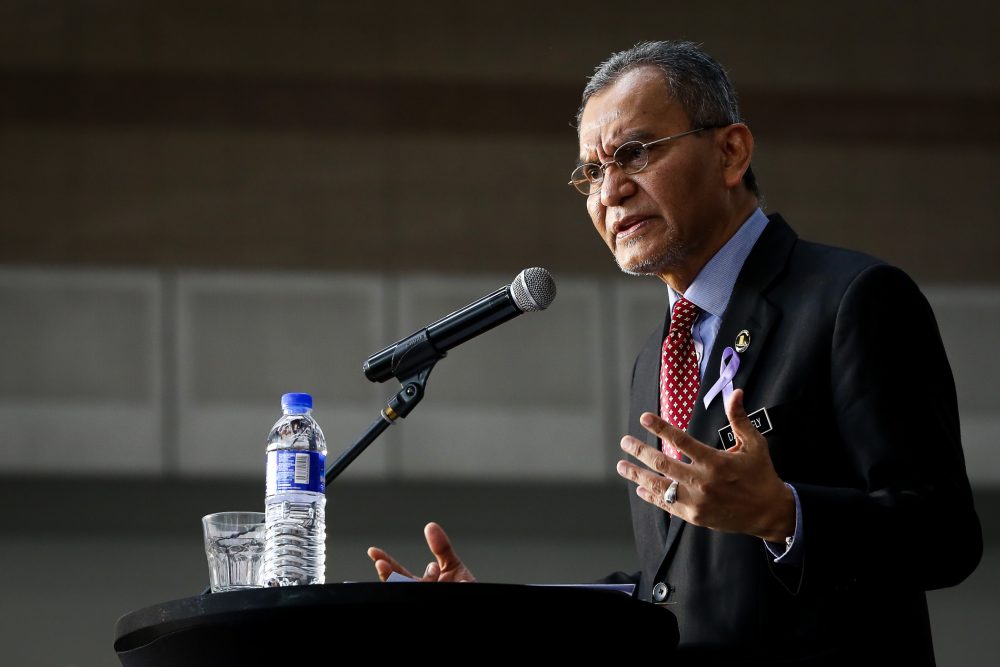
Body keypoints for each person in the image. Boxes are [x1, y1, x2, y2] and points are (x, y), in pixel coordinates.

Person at [367, 41, 982, 663]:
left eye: (633, 153)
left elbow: (946, 536)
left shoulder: (853, 300)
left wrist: (784, 515)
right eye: (591, 172)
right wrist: (495, 615)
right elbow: (672, 593)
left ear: (731, 151)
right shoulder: (654, 359)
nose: (610, 192)